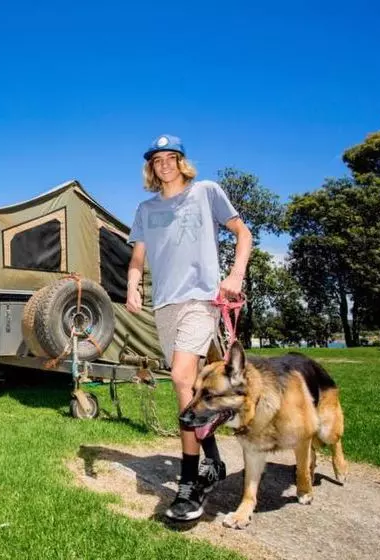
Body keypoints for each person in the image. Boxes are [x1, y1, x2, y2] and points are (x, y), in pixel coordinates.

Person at [126, 133, 253, 521]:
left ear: (182, 161)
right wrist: (133, 287)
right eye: (156, 159)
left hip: (201, 300)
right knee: (190, 386)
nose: (163, 163)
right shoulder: (146, 209)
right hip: (164, 306)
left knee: (182, 378)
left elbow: (243, 234)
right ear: (151, 167)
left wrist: (236, 275)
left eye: (171, 157)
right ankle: (212, 458)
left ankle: (189, 483)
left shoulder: (207, 191)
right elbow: (137, 258)